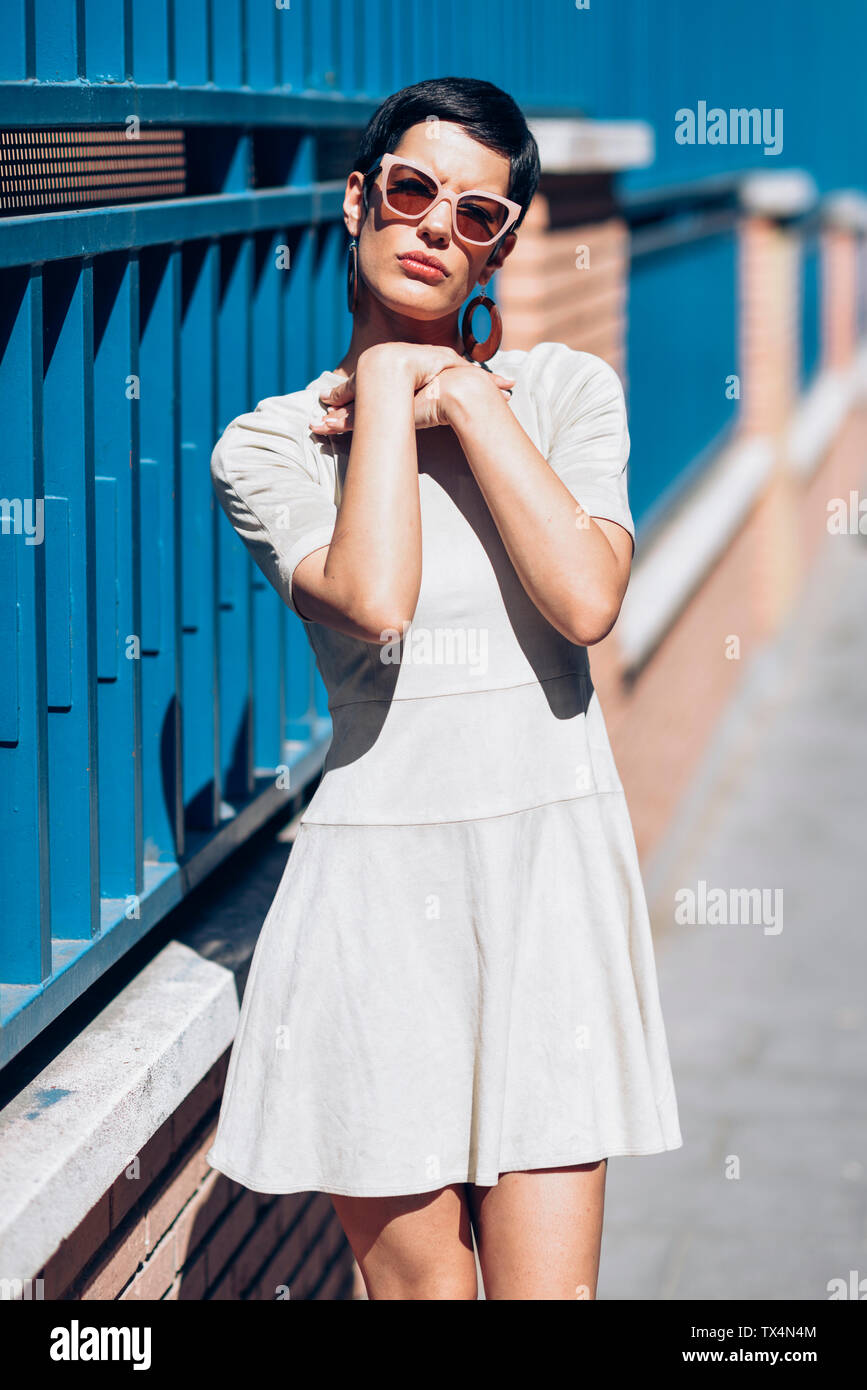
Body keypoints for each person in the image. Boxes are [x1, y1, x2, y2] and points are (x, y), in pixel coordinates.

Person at [205, 75, 682, 1301]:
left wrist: (464, 393)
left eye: (476, 216)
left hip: (548, 882)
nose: (434, 228)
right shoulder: (269, 443)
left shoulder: (565, 394)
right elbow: (376, 599)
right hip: (377, 896)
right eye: (413, 191)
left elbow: (584, 600)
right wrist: (379, 397)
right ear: (360, 200)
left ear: (502, 248)